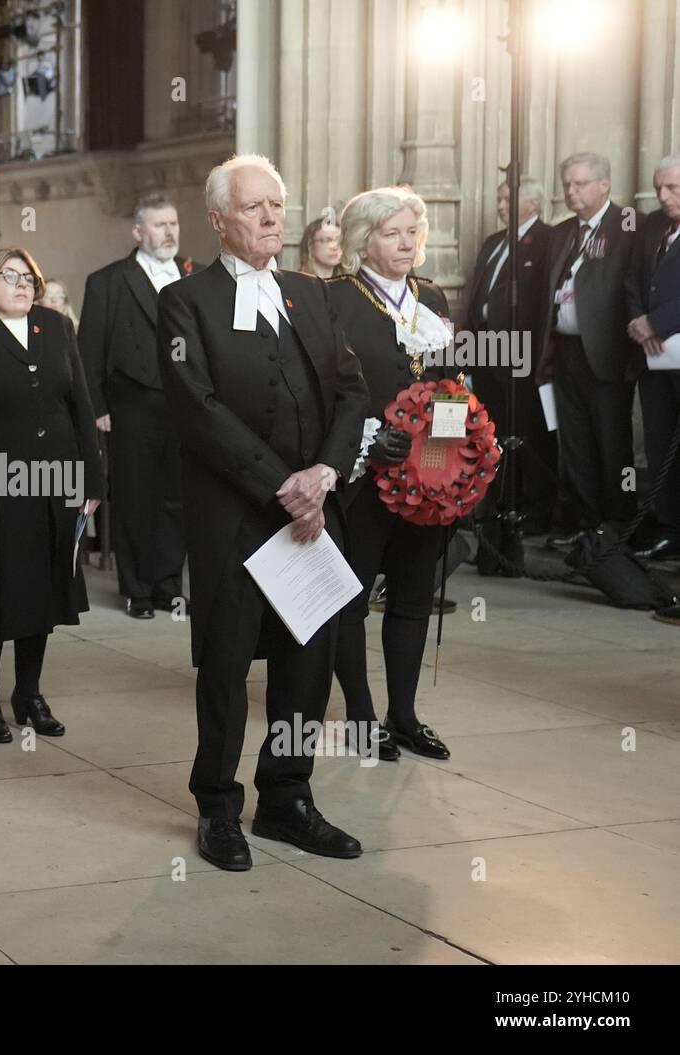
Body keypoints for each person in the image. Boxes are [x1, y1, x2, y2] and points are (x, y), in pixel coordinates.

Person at [157, 154, 369, 871]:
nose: (273, 217)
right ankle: (218, 806)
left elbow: (351, 391)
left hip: (312, 515)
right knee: (224, 665)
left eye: (278, 204)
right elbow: (197, 411)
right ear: (218, 220)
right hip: (235, 518)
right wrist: (286, 486)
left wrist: (325, 474)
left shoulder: (311, 295)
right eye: (254, 207)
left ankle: (287, 798)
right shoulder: (186, 303)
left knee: (307, 664)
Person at [0, 246, 104, 743]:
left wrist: (91, 481)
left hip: (53, 482)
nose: (22, 284)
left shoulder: (56, 329)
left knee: (42, 591)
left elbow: (80, 405)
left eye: (29, 277)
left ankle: (28, 692)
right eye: (10, 276)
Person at [327, 186, 455, 763]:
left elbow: (451, 388)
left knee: (411, 598)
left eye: (411, 232)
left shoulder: (433, 299)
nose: (406, 243)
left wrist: (456, 464)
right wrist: (366, 441)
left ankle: (403, 715)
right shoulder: (334, 299)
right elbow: (325, 393)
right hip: (363, 479)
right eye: (390, 233)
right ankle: (360, 717)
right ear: (361, 241)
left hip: (426, 479)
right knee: (350, 601)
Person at [79, 192, 197, 617]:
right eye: (160, 225)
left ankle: (168, 586)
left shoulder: (196, 275)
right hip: (131, 405)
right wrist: (97, 406)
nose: (169, 232)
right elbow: (89, 349)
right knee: (135, 498)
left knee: (177, 498)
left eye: (174, 224)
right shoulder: (108, 280)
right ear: (138, 231)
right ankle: (137, 590)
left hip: (186, 406)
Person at [536, 152, 641, 543]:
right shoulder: (562, 232)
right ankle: (583, 520)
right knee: (575, 442)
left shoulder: (628, 225)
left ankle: (617, 522)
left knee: (613, 444)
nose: (571, 191)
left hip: (608, 354)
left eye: (580, 183)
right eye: (567, 184)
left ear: (604, 185)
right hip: (564, 352)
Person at [463, 178, 556, 533]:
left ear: (532, 202)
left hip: (523, 351)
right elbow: (477, 297)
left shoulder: (548, 240)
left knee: (529, 429)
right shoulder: (493, 242)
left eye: (507, 199)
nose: (500, 205)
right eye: (499, 198)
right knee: (493, 428)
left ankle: (535, 508)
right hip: (486, 347)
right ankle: (502, 501)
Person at [628, 153, 680, 565]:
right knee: (660, 441)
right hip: (654, 358)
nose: (663, 196)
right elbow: (631, 278)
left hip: (668, 340)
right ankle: (667, 526)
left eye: (673, 188)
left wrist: (657, 322)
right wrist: (638, 320)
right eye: (659, 187)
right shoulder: (652, 226)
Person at [297, 212, 342, 279]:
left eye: (339, 241)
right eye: (328, 240)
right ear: (310, 245)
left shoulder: (351, 283)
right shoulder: (297, 283)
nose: (335, 247)